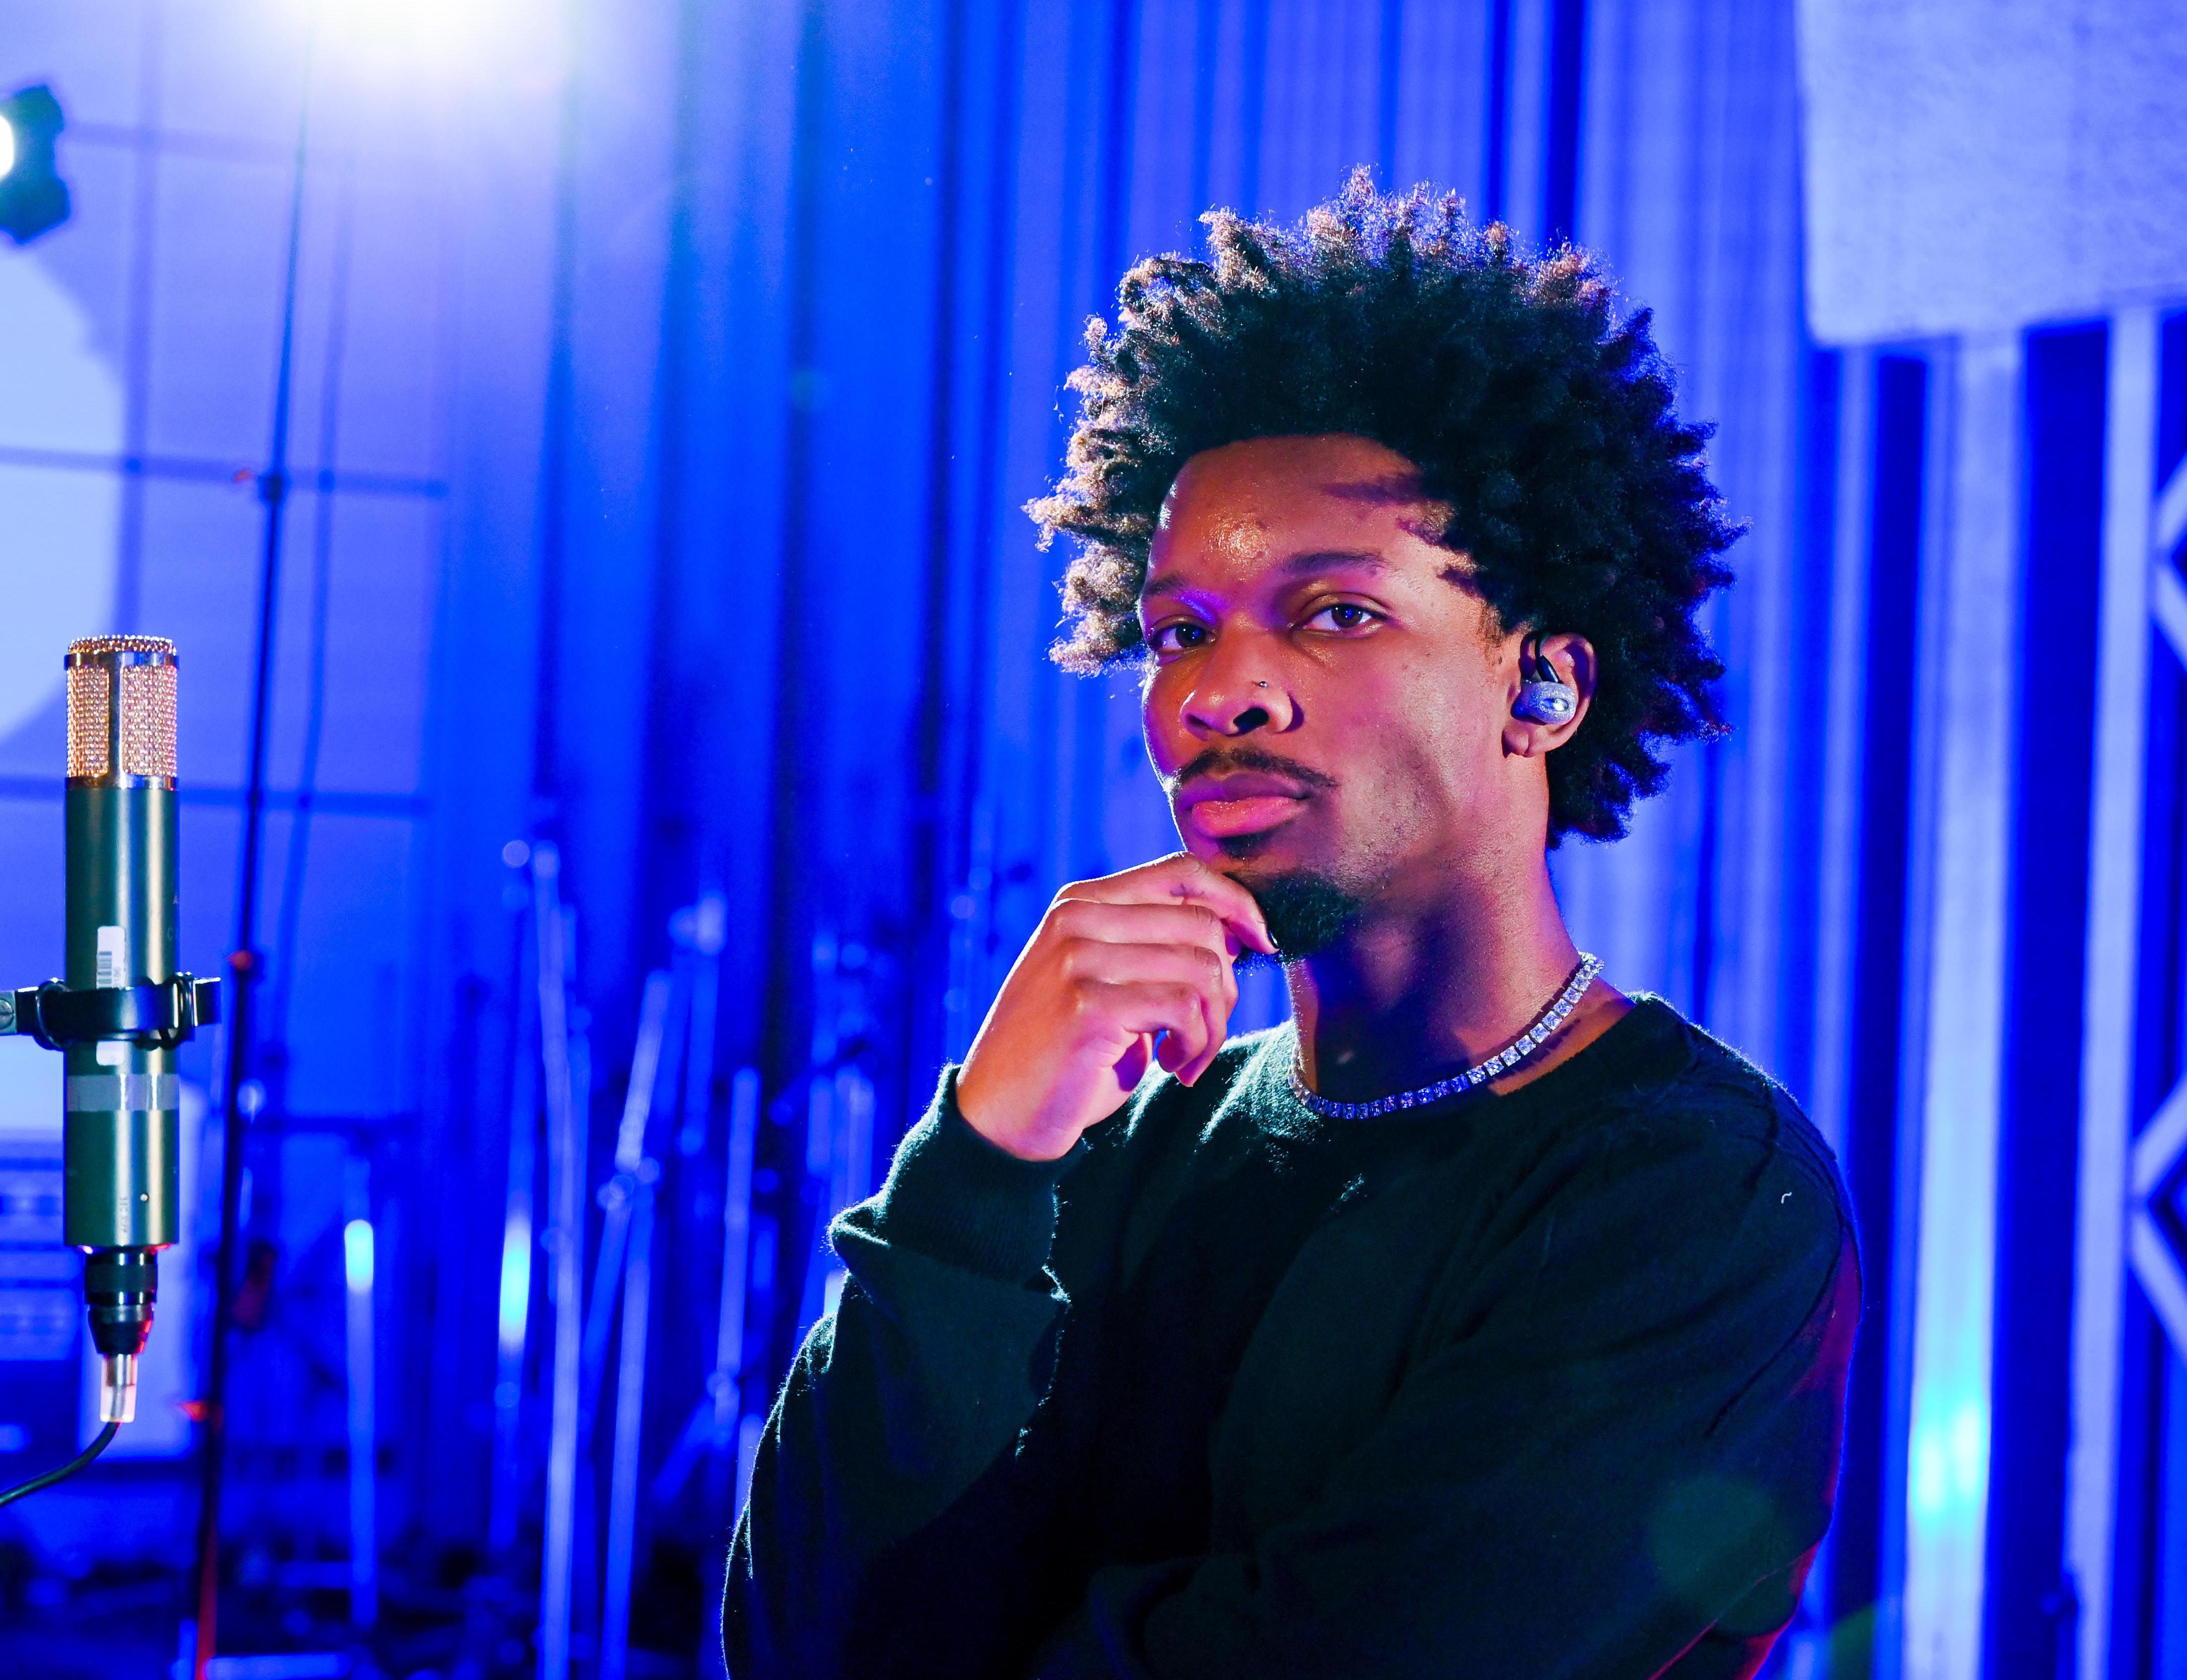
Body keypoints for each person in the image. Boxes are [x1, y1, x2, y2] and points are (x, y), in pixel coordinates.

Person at [726, 174, 1859, 1680]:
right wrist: (982, 1157)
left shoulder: (1693, 1195)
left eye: (1335, 612)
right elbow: (799, 1645)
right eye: (1180, 630)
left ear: (1543, 684)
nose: (1219, 693)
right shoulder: (1113, 1149)